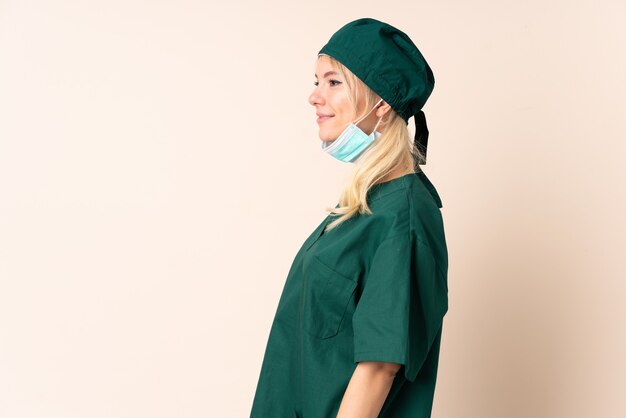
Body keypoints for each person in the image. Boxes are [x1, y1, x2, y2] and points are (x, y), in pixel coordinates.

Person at [250, 17, 449, 418]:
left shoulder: (403, 216)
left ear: (381, 102)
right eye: (316, 80)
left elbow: (379, 366)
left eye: (333, 82)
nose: (314, 96)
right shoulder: (367, 206)